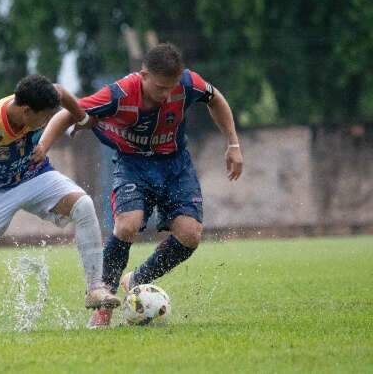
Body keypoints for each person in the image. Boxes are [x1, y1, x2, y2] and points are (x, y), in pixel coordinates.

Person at [35, 43, 244, 327]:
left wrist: (233, 143)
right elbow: (66, 113)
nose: (166, 95)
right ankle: (104, 303)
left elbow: (215, 98)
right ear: (143, 75)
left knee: (191, 235)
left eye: (171, 88)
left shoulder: (188, 83)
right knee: (126, 226)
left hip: (175, 165)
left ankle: (137, 280)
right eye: (160, 88)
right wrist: (43, 148)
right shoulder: (119, 93)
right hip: (133, 165)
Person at [0, 74, 120, 335]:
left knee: (84, 205)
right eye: (42, 117)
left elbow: (62, 93)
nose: (45, 122)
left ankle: (95, 288)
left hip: (35, 175)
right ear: (25, 110)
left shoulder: (40, 99)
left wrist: (83, 118)